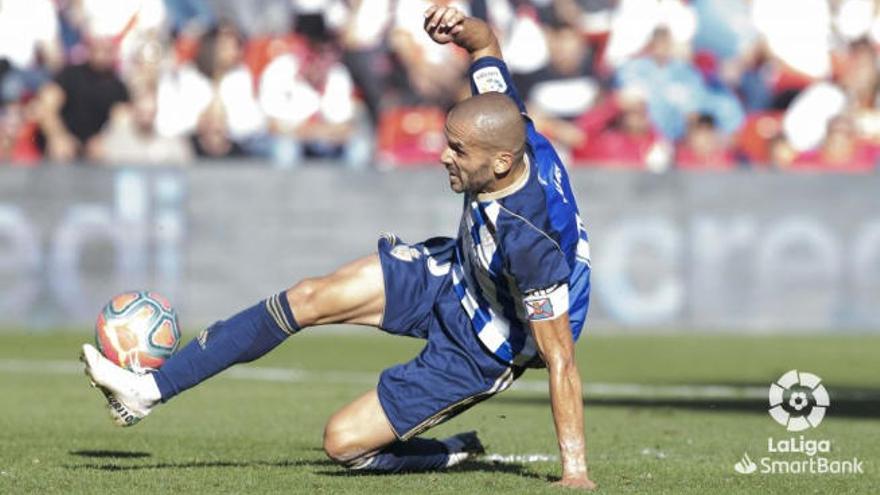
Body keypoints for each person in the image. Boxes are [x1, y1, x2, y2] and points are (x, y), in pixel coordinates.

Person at [81, 4, 596, 490]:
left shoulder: (532, 242)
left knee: (344, 444)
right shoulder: (506, 119)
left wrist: (575, 472)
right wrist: (463, 29)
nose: (443, 157)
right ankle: (146, 393)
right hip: (454, 271)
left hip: (486, 341)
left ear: (502, 163)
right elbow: (486, 43)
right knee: (308, 296)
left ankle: (449, 450)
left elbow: (560, 359)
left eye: (458, 150)